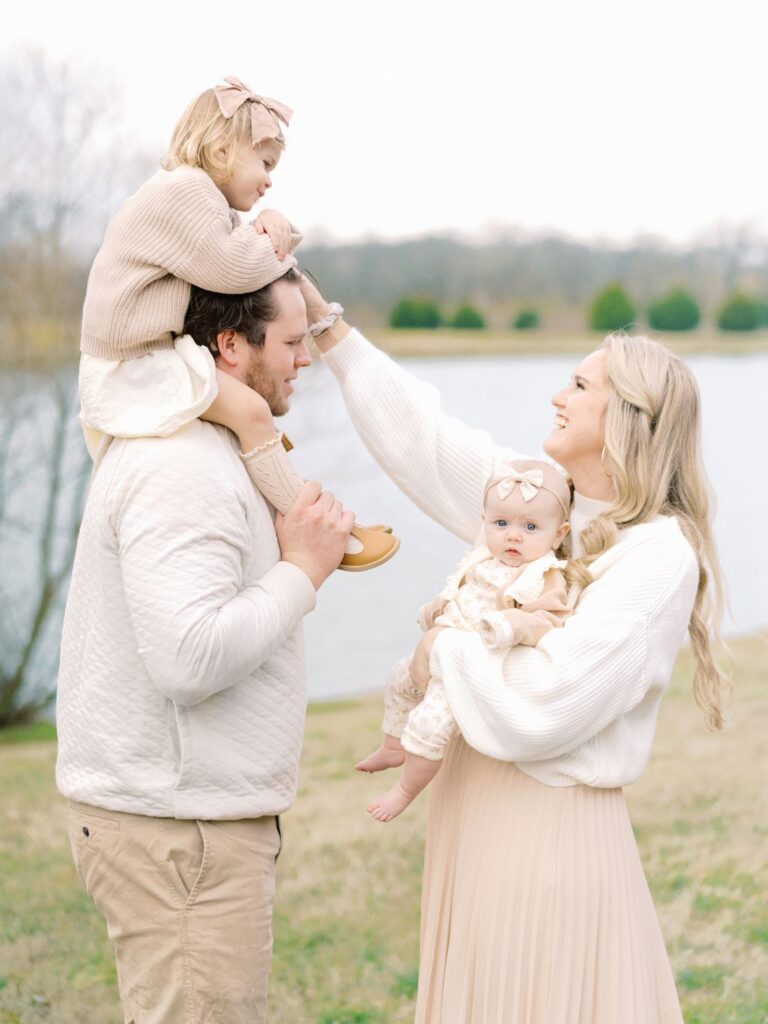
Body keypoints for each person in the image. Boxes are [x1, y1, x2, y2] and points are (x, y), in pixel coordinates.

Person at [297, 275, 728, 1023]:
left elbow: (545, 704)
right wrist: (325, 325)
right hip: (472, 817)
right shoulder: (538, 504)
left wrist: (444, 645)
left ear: (626, 415)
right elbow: (423, 439)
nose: (558, 396)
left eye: (578, 384)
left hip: (547, 839)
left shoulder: (658, 555)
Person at [56, 270, 350, 1023]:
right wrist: (303, 571)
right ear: (229, 345)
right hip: (178, 835)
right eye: (290, 342)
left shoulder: (207, 447)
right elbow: (188, 659)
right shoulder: (181, 463)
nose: (303, 360)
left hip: (184, 824)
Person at [77, 73, 397, 570]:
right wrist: (278, 228)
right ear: (223, 151)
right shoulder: (184, 192)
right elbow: (235, 269)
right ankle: (319, 529)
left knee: (250, 415)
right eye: (265, 163)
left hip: (149, 354)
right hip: (132, 365)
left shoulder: (198, 200)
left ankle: (303, 502)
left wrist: (277, 249)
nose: (270, 180)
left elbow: (266, 269)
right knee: (251, 413)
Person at [357, 459, 572, 821]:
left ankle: (406, 788)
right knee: (398, 677)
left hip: (471, 666)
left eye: (530, 526)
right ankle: (392, 745)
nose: (513, 535)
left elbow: (548, 621)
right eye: (501, 523)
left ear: (559, 534)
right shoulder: (483, 558)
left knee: (430, 724)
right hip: (441, 650)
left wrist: (510, 625)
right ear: (485, 522)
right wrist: (435, 611)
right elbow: (461, 592)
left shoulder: (544, 575)